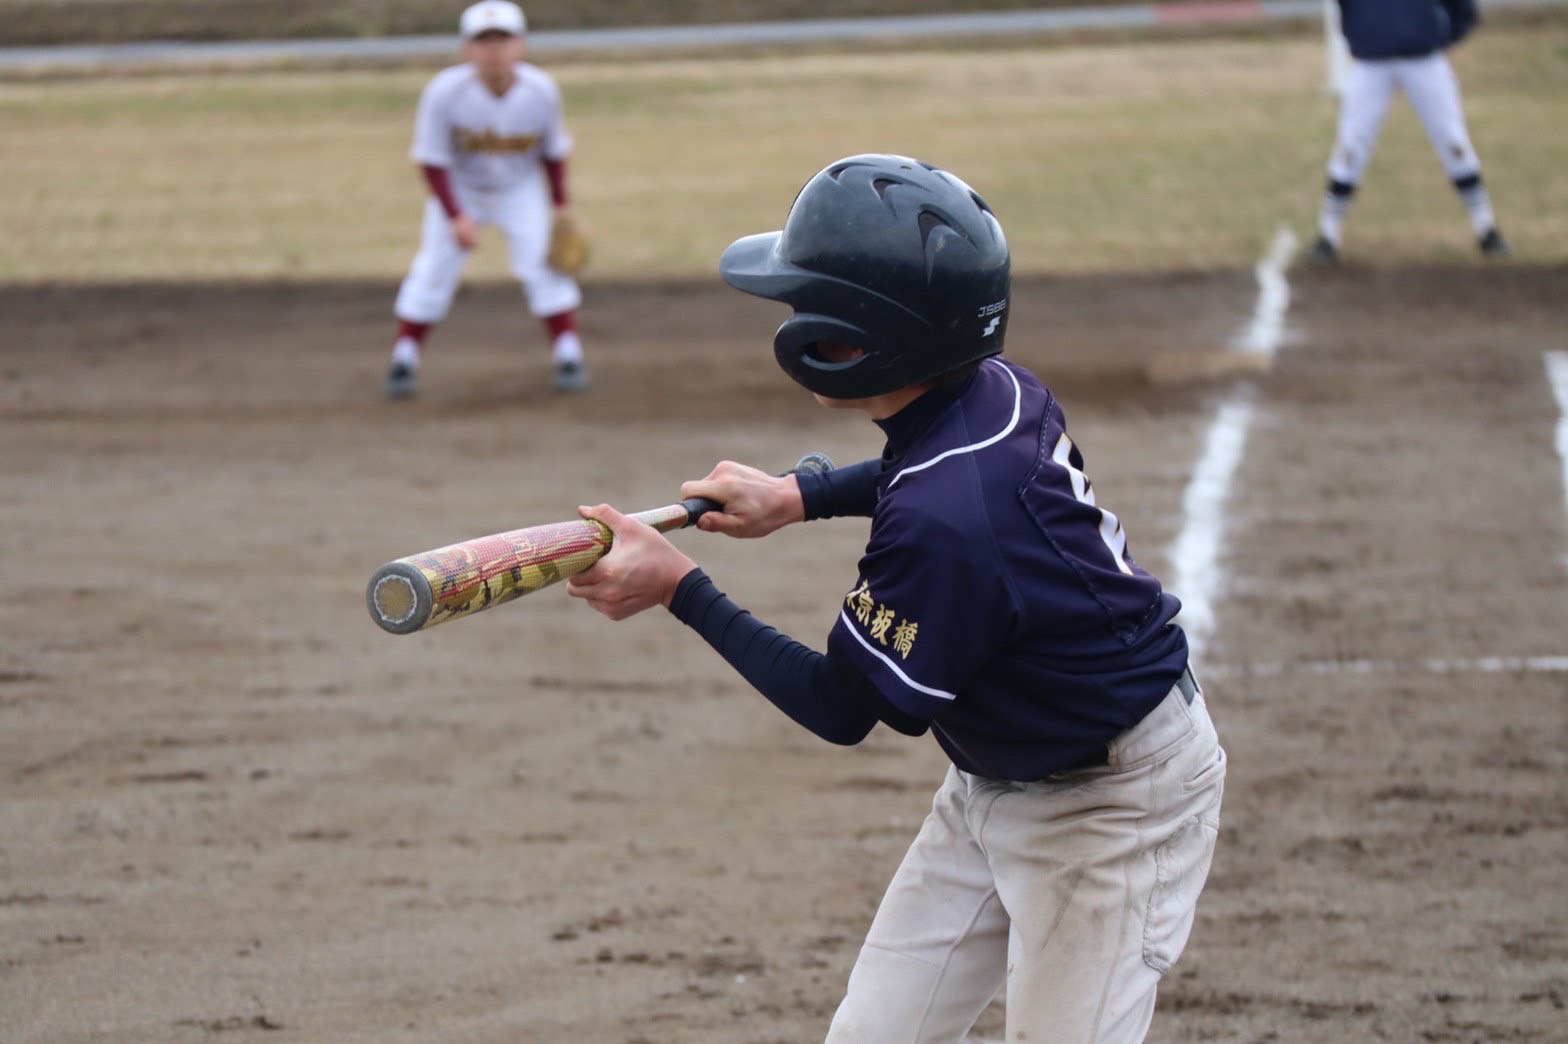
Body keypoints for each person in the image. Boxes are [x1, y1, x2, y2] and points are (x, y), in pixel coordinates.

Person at [566, 154, 1226, 1042]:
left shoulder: (945, 524)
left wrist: (679, 587)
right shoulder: (994, 386)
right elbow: (921, 467)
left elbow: (843, 707)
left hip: (1111, 811)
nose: (793, 317)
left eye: (809, 304)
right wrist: (799, 496)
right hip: (995, 777)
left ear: (864, 339)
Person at [383, 0, 589, 397]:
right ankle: (403, 360)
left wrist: (561, 206)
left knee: (545, 268)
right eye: (483, 40)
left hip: (519, 189)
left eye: (503, 38)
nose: (493, 48)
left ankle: (569, 355)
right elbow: (431, 161)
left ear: (521, 44)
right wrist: (456, 216)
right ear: (467, 49)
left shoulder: (541, 89)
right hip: (460, 189)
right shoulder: (445, 92)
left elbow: (553, 152)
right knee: (433, 271)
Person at [1308, 0, 1508, 263]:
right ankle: (1328, 235)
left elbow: (1463, 8)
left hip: (1424, 60)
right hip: (1371, 63)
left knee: (1453, 142)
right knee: (1351, 146)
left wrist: (1443, 35)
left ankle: (1486, 229)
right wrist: (1360, 34)